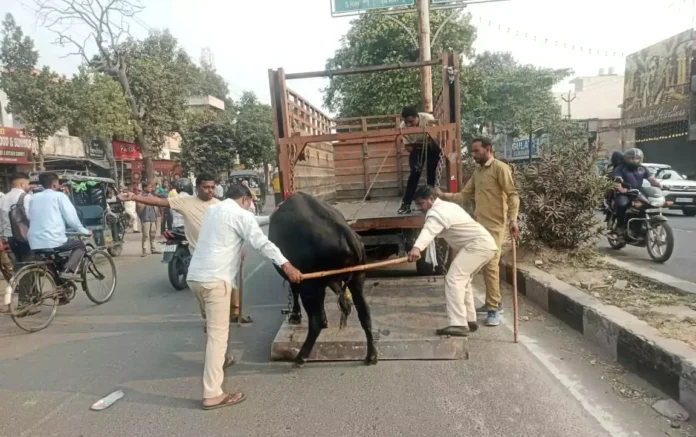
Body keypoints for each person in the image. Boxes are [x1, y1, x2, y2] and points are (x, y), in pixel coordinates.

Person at [186, 184, 302, 410]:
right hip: (216, 281)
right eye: (250, 202)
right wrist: (287, 265)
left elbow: (248, 220)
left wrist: (270, 216)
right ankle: (212, 394)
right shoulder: (241, 215)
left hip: (195, 279)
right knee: (218, 336)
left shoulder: (215, 210)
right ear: (246, 199)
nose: (250, 206)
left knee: (212, 326)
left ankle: (220, 361)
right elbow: (262, 243)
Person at [119, 173, 256, 323]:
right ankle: (211, 317)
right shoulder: (185, 202)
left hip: (221, 253)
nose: (210, 190)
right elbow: (159, 201)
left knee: (230, 282)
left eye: (212, 187)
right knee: (206, 290)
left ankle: (235, 313)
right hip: (199, 255)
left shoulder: (220, 204)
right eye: (206, 187)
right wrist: (134, 197)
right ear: (197, 188)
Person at [437, 137, 519, 327]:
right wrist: (443, 196)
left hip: (497, 226)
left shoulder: (500, 168)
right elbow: (465, 195)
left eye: (476, 151)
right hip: (480, 226)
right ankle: (493, 302)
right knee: (478, 266)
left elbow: (513, 195)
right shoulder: (478, 172)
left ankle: (493, 309)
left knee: (491, 266)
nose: (473, 155)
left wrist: (513, 220)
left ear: (488, 149)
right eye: (472, 152)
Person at [407, 186, 497, 336]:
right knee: (463, 281)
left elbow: (429, 230)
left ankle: (458, 324)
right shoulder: (448, 206)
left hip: (477, 246)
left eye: (421, 203)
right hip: (485, 245)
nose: (419, 207)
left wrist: (416, 248)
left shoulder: (436, 213)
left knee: (454, 279)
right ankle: (469, 319)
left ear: (431, 199)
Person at [27, 173, 91, 277]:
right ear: (54, 183)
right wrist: (84, 231)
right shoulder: (59, 196)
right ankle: (68, 271)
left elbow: (30, 216)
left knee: (53, 261)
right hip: (53, 239)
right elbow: (71, 218)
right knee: (80, 245)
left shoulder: (33, 197)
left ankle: (59, 283)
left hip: (34, 241)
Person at [397, 106, 440, 214]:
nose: (409, 125)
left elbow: (435, 138)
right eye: (407, 122)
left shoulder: (428, 118)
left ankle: (431, 202)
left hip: (431, 147)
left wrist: (427, 143)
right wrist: (418, 147)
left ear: (417, 117)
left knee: (431, 172)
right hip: (416, 148)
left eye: (411, 121)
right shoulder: (403, 126)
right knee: (414, 174)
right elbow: (408, 147)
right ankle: (406, 204)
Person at [612, 148, 661, 240]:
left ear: (640, 158)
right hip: (624, 193)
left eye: (637, 158)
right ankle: (620, 228)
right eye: (632, 158)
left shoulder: (642, 169)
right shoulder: (620, 168)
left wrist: (659, 185)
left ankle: (642, 226)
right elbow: (616, 181)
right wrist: (621, 189)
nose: (634, 160)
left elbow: (651, 179)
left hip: (637, 192)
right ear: (626, 158)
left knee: (649, 204)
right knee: (622, 205)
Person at [0, 173, 32, 281]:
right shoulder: (26, 197)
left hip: (10, 239)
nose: (29, 186)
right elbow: (30, 217)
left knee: (19, 266)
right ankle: (27, 294)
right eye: (28, 183)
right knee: (30, 267)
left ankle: (25, 293)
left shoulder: (3, 198)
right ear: (22, 183)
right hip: (25, 237)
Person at [137, 182, 161, 257]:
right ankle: (144, 250)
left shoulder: (152, 195)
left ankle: (153, 249)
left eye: (151, 187)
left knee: (153, 234)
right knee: (145, 235)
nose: (150, 189)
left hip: (152, 217)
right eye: (149, 187)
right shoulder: (141, 196)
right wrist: (147, 201)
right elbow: (139, 207)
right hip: (145, 217)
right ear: (144, 188)